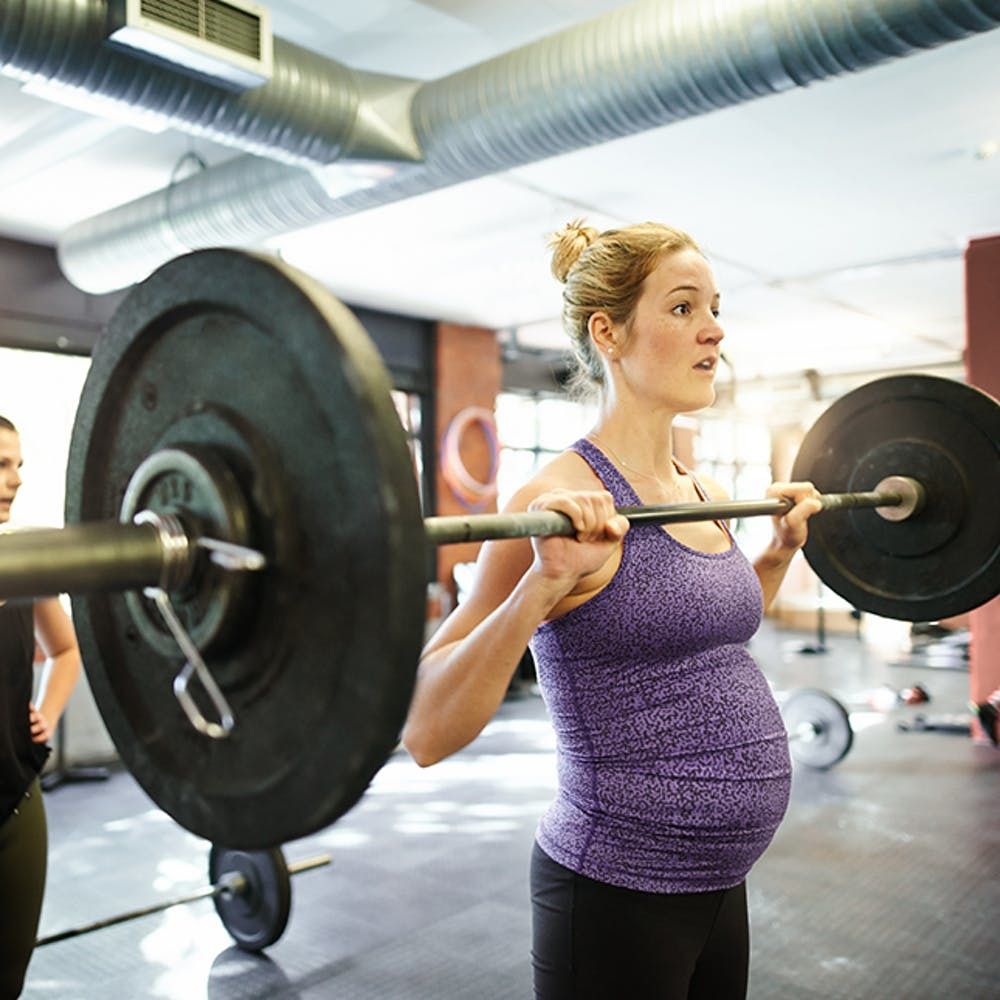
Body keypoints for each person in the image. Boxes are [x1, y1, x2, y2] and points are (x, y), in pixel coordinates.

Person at [402, 220, 823, 999]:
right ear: (610, 332)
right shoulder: (549, 503)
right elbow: (426, 730)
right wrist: (540, 586)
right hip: (616, 889)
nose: (715, 329)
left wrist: (776, 555)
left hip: (718, 884)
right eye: (683, 308)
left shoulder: (699, 490)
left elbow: (699, 635)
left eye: (715, 307)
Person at [0, 415, 82, 999]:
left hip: (14, 795)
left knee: (7, 978)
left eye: (20, 464)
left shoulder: (25, 559)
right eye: (2, 464)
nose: (17, 479)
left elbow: (67, 648)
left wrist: (46, 711)